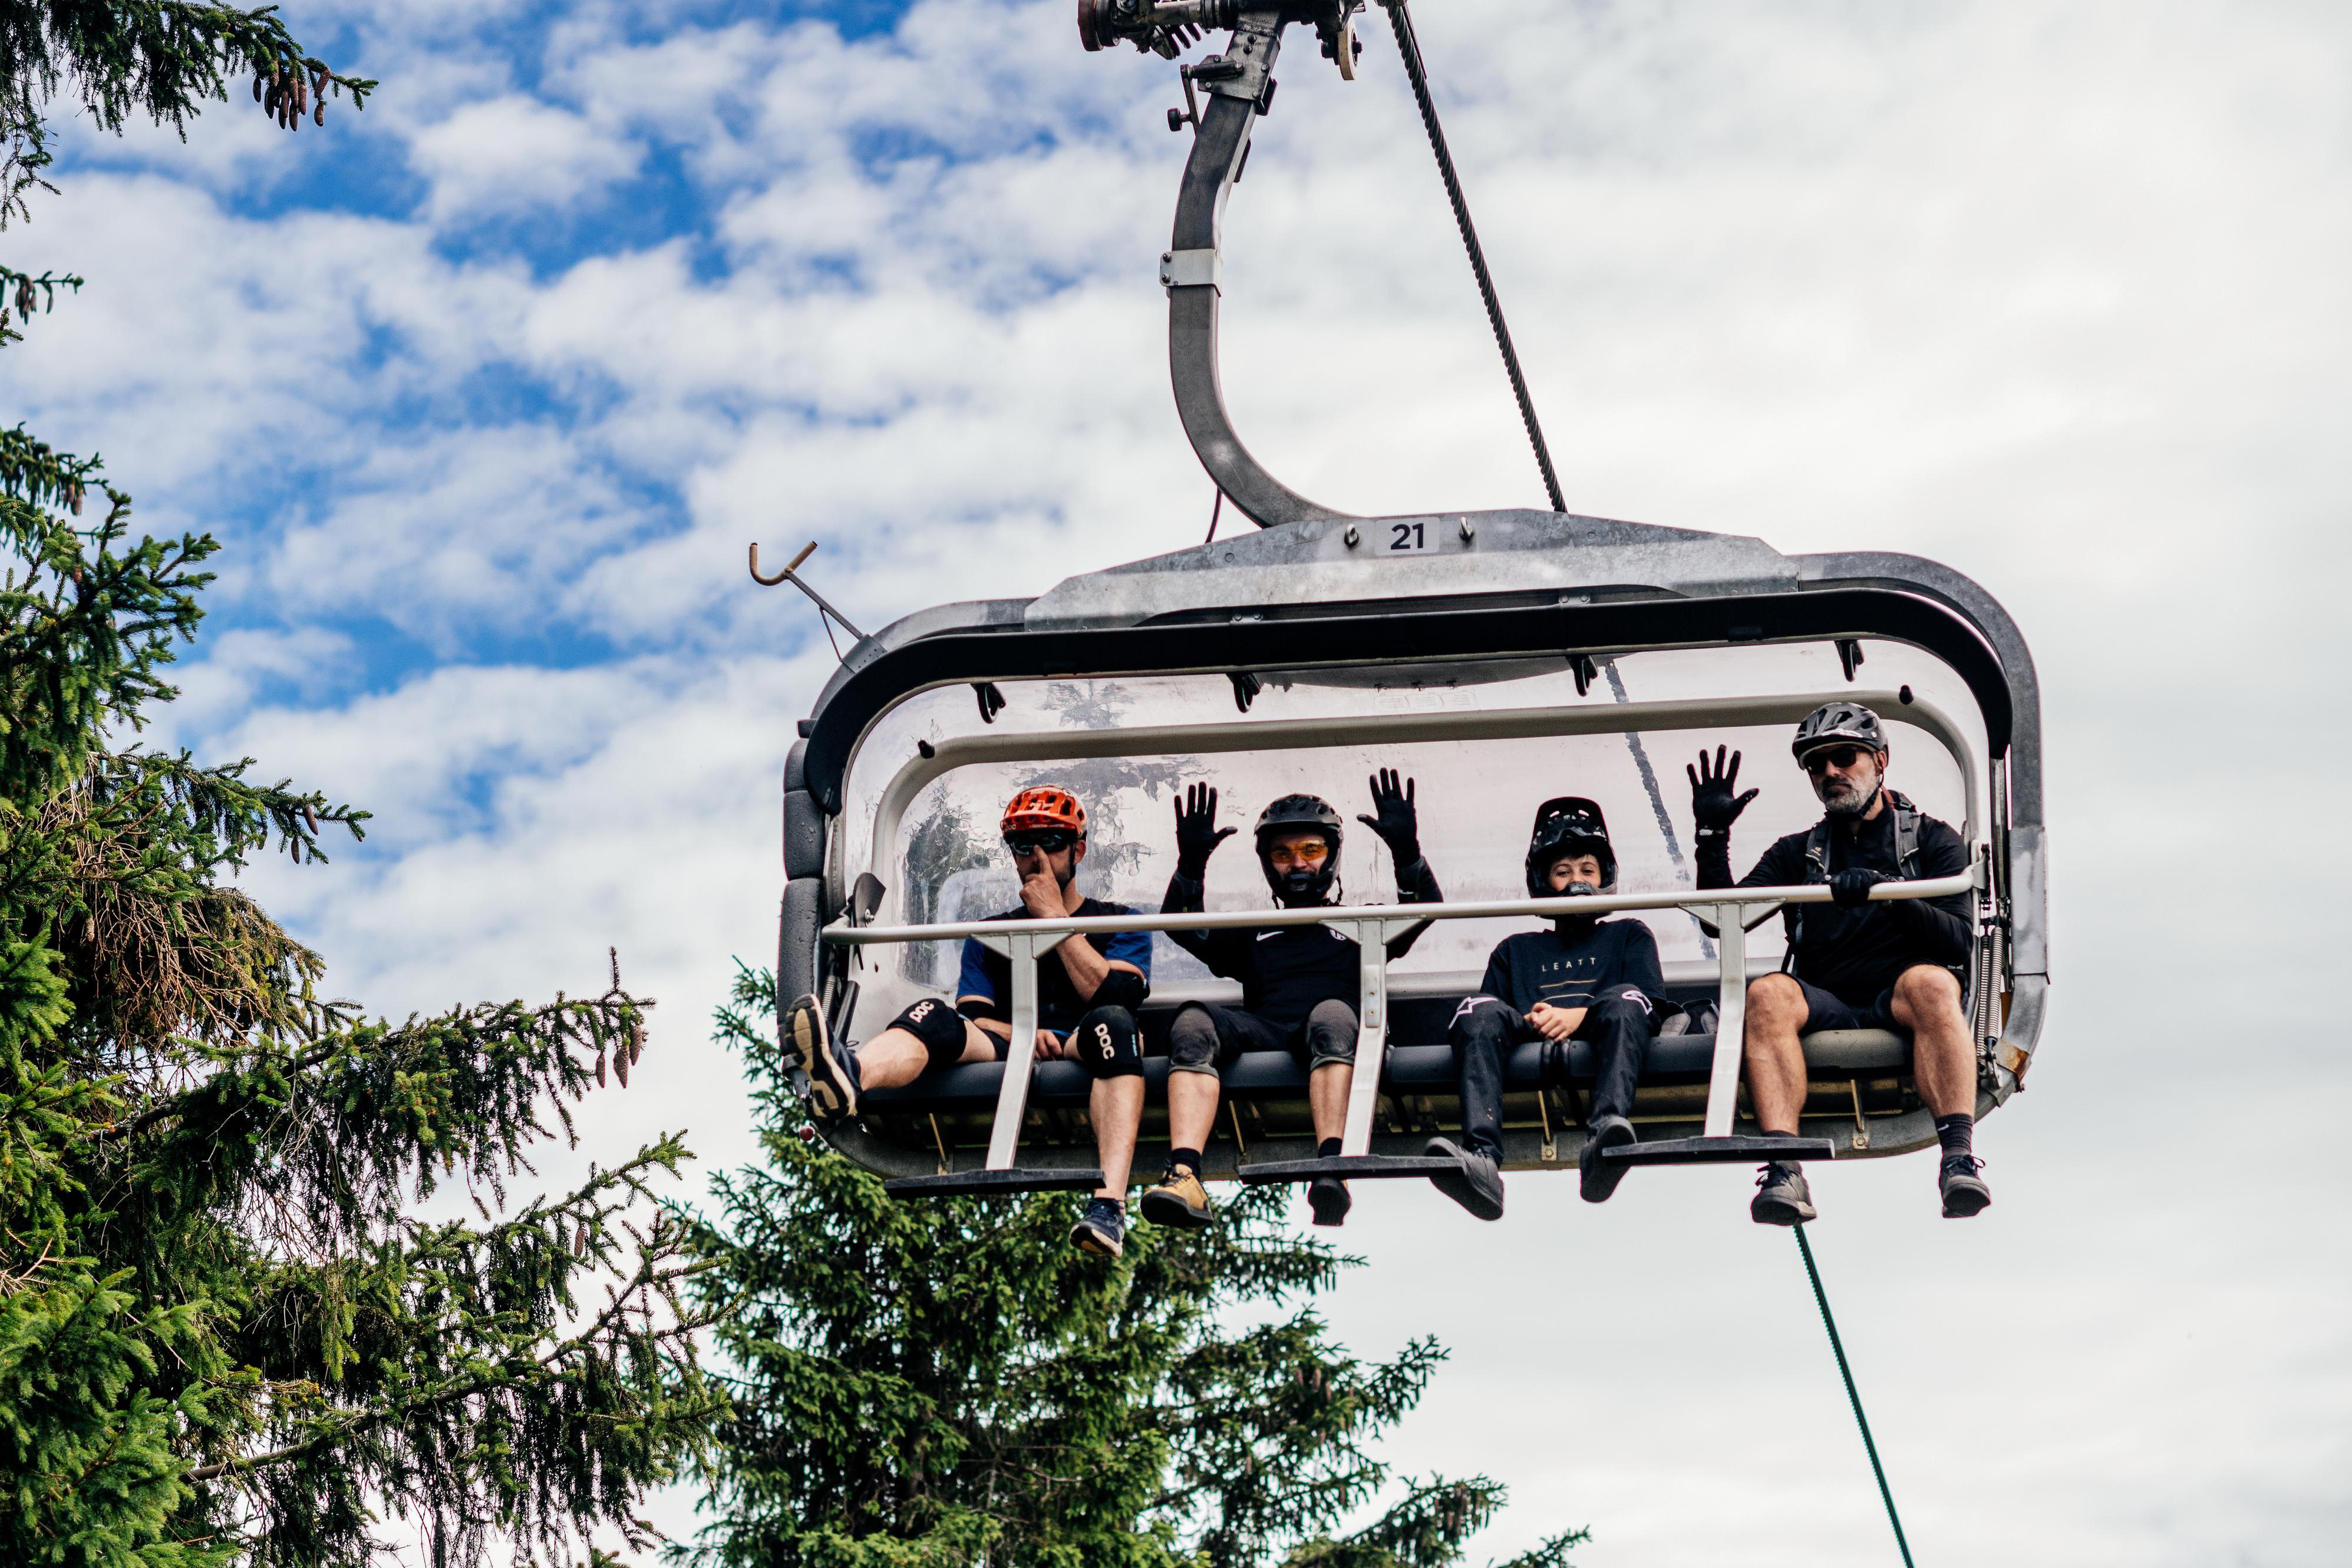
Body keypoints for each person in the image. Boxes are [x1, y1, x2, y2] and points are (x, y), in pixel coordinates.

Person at [786, 785, 1153, 1257]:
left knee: (1114, 1024)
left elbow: (1115, 996)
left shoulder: (1118, 921)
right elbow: (976, 1015)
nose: (1037, 856)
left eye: (1052, 842)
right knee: (932, 1015)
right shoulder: (988, 933)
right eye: (1023, 845)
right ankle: (849, 1078)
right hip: (1009, 1041)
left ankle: (1109, 1206)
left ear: (1077, 851)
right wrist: (1023, 1034)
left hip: (1087, 1039)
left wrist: (1054, 918)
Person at [1687, 701, 1990, 1224]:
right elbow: (1722, 920)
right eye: (1816, 763)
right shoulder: (1797, 852)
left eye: (1844, 756)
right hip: (1824, 998)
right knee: (1767, 992)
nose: (1830, 771)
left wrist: (1890, 896)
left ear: (1880, 760)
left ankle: (1958, 1158)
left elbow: (1958, 941)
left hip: (1899, 997)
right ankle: (1784, 1168)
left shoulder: (1930, 841)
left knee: (1933, 983)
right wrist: (1711, 839)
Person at [1140, 771, 1440, 1230]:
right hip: (1265, 1031)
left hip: (1331, 1034)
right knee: (1192, 1020)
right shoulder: (1254, 929)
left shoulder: (1362, 924)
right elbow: (1182, 927)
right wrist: (1190, 865)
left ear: (1331, 855)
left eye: (1310, 850)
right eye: (1282, 854)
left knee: (1332, 1013)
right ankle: (1184, 1174)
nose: (1297, 863)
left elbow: (1424, 908)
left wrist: (1406, 851)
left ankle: (1332, 1169)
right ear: (1267, 863)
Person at [1424, 798, 1668, 1219]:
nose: (1577, 881)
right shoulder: (1515, 950)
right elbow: (1487, 1022)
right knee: (1474, 1009)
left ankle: (1604, 1144)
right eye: (1563, 872)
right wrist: (1534, 1020)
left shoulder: (1629, 935)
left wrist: (1577, 1017)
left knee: (1625, 999)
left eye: (1587, 870)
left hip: (1609, 1026)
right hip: (1529, 1035)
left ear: (1604, 877)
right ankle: (1481, 1159)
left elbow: (1648, 1009)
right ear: (1544, 881)